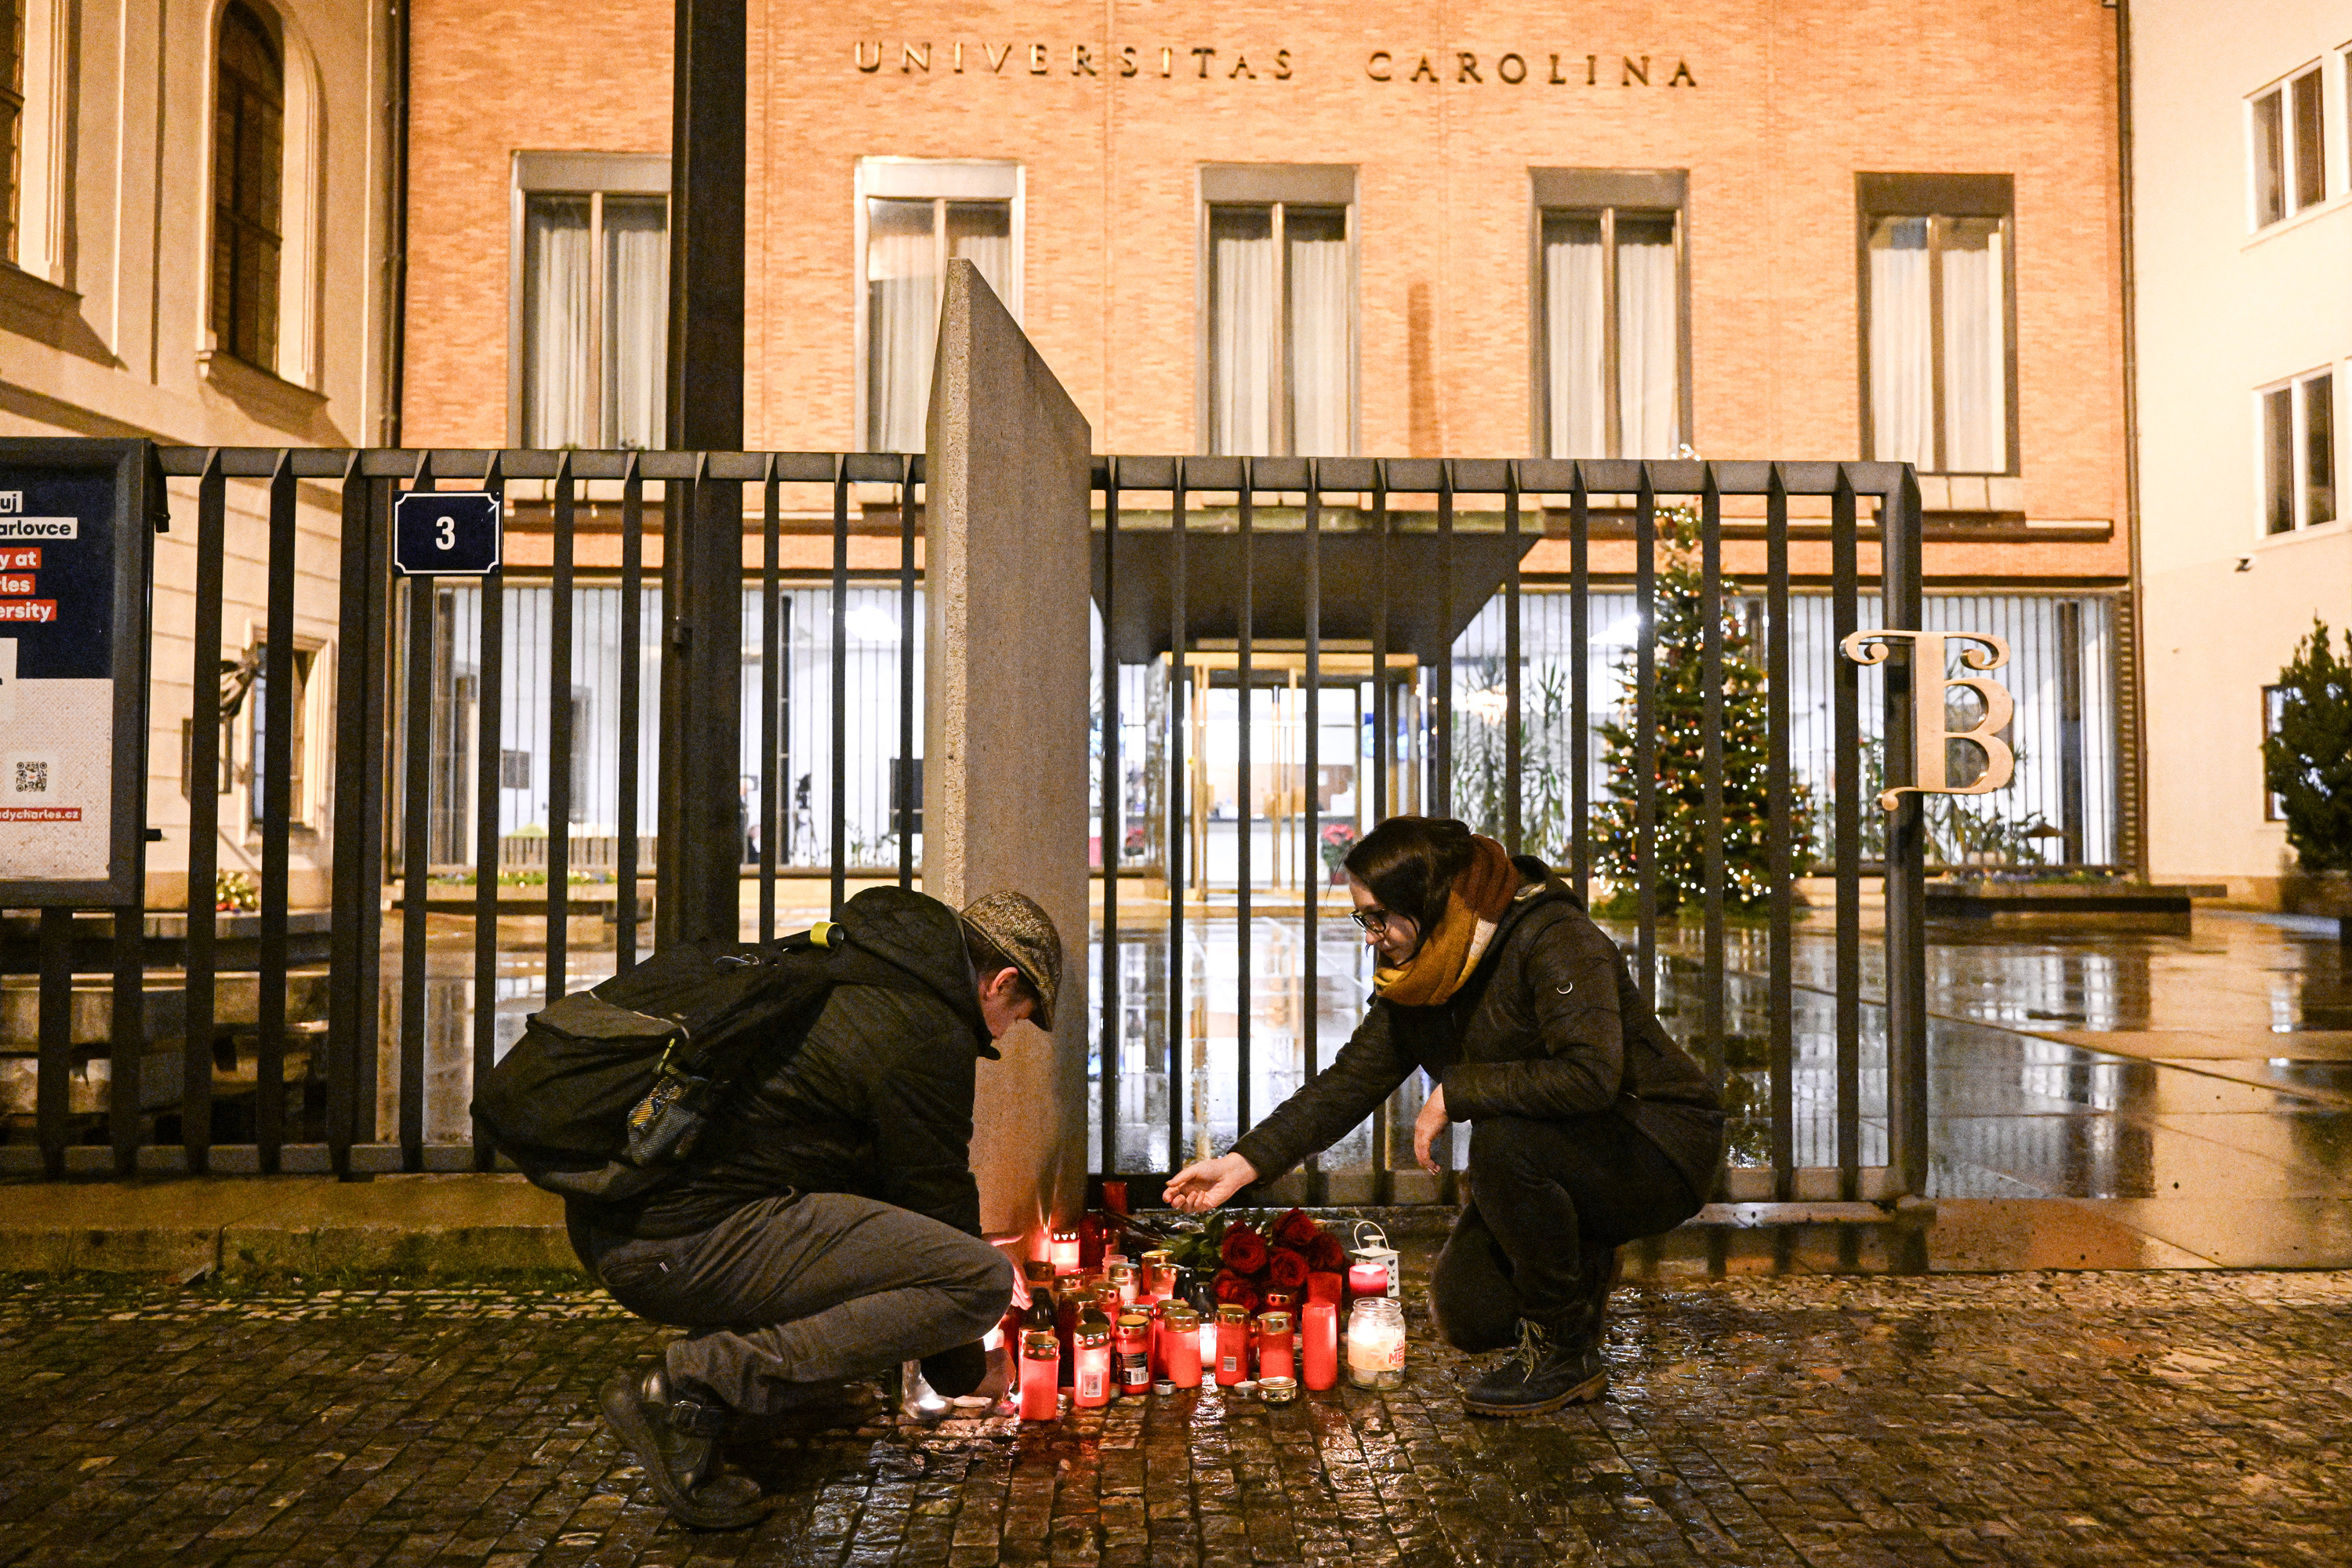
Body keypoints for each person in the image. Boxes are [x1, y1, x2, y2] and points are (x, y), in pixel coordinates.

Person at [1164, 816, 1722, 1417]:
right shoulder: (1429, 973)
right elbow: (1351, 1081)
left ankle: (1565, 1354)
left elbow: (1590, 1076)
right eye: (1364, 919)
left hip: (1656, 1145)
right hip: (1567, 1150)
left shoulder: (1554, 937)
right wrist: (1244, 1162)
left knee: (1505, 1141)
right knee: (1471, 1313)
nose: (1371, 936)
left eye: (1379, 917)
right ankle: (1579, 1252)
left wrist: (1458, 1092)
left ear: (1428, 902)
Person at [572, 886, 1058, 1526]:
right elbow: (932, 1192)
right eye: (1017, 1018)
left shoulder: (852, 969)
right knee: (976, 1281)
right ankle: (693, 1388)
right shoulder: (924, 1029)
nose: (1003, 1033)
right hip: (673, 1245)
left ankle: (734, 1378)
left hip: (623, 1222)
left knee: (940, 1258)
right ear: (1001, 982)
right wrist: (967, 1368)